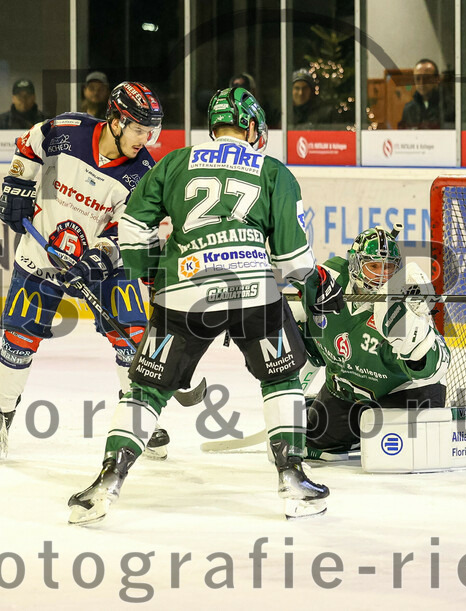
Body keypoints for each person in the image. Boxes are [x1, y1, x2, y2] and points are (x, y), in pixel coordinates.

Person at [66, 87, 345, 524]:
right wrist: (314, 282)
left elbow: (134, 224)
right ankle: (293, 478)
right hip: (253, 290)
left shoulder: (177, 161)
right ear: (252, 127)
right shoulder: (273, 170)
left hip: (183, 289)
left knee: (148, 389)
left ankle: (108, 478)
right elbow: (293, 261)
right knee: (283, 377)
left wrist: (149, 275)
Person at [0, 82, 168, 461]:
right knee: (19, 337)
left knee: (131, 331)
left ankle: (139, 411)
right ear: (116, 120)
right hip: (42, 251)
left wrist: (99, 258)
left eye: (151, 132)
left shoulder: (143, 172)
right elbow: (31, 141)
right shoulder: (68, 131)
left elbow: (128, 229)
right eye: (139, 129)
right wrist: (16, 183)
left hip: (103, 263)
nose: (146, 140)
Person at [293, 226, 450, 457]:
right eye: (374, 266)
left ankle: (372, 432)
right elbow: (308, 347)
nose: (382, 275)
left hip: (402, 392)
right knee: (317, 442)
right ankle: (354, 432)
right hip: (346, 388)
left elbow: (436, 369)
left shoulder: (406, 296)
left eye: (389, 267)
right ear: (355, 265)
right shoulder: (330, 280)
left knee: (394, 453)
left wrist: (414, 331)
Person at [398, 58, 454, 129]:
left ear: (437, 79)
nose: (421, 83)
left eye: (426, 78)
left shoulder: (450, 106)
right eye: (418, 79)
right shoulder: (409, 109)